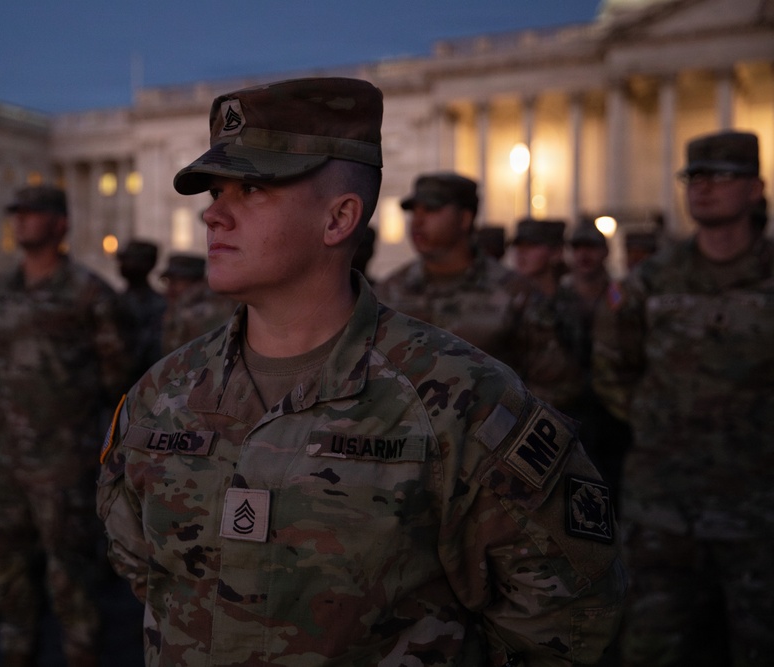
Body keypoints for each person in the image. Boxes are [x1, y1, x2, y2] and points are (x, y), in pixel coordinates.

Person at [98, 76, 625, 666]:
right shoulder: (161, 393)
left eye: (250, 188)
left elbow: (565, 619)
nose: (214, 216)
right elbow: (150, 572)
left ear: (338, 218)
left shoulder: (460, 398)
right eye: (215, 192)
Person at [593, 129, 773, 665]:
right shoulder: (649, 280)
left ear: (756, 189)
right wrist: (662, 422)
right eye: (695, 177)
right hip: (664, 507)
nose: (704, 188)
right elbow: (611, 367)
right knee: (652, 645)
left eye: (722, 176)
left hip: (759, 504)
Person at [0, 184, 131, 667]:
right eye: (17, 212)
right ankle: (16, 652)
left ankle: (81, 653)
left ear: (60, 224)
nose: (21, 220)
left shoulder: (89, 294)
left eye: (33, 213)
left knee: (71, 575)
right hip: (3, 456)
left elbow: (117, 374)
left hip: (64, 457)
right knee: (7, 571)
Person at [375, 173, 581, 409]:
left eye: (431, 210)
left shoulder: (515, 293)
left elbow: (555, 382)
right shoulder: (389, 292)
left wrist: (498, 423)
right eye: (414, 212)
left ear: (465, 218)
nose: (417, 221)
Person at [560, 222, 631, 510]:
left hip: (612, 407)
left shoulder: (620, 295)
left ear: (604, 252)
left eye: (591, 248)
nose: (584, 255)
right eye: (577, 248)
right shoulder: (558, 298)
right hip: (569, 404)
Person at [509, 218, 584, 412]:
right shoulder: (506, 302)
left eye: (532, 246)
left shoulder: (574, 302)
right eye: (518, 246)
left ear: (556, 253)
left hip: (572, 411)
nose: (521, 254)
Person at [159, 253, 238, 355]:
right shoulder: (177, 307)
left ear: (195, 282)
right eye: (167, 281)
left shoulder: (206, 311)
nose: (170, 288)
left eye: (176, 281)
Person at [117, 239, 167, 384]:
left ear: (147, 264)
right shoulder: (114, 301)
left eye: (130, 260)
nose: (123, 265)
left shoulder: (161, 305)